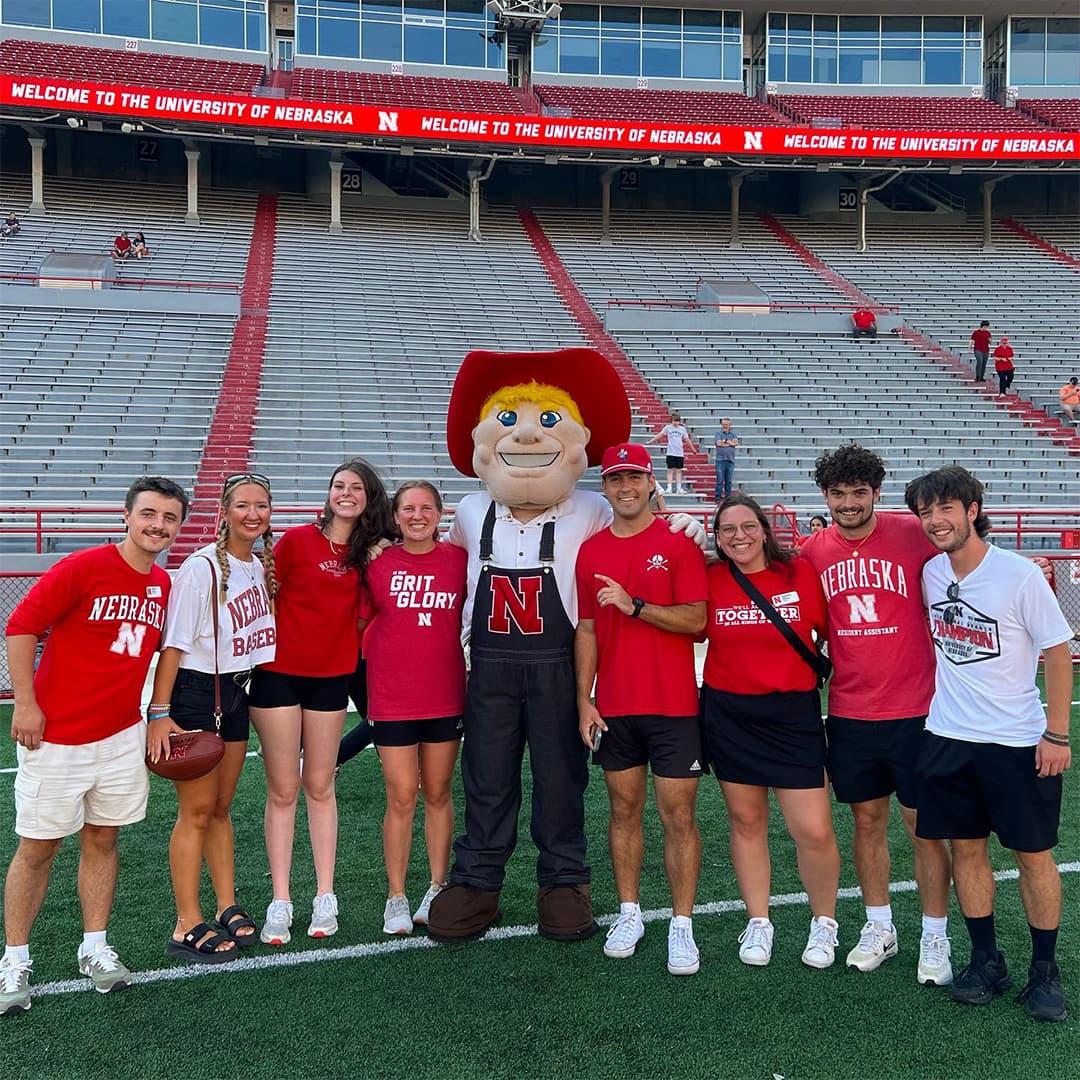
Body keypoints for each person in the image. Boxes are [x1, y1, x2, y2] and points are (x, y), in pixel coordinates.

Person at [426, 347, 705, 944]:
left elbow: (642, 520)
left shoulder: (594, 506)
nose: (527, 437)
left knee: (561, 777)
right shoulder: (472, 511)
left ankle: (565, 879)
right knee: (487, 774)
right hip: (492, 665)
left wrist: (684, 523)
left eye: (548, 423)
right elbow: (447, 563)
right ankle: (477, 877)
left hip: (559, 660)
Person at [1, 476, 188, 1015]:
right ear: (127, 517)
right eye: (149, 514)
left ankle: (95, 947)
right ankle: (13, 957)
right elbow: (22, 625)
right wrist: (26, 703)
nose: (158, 525)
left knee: (103, 840)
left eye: (169, 518)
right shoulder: (83, 566)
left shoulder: (164, 584)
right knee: (38, 847)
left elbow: (158, 655)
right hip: (57, 735)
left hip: (120, 735)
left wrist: (155, 712)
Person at [905, 465, 1073, 1023]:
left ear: (972, 511)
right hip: (948, 736)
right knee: (967, 851)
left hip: (1017, 741)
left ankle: (1044, 972)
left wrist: (1056, 733)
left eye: (945, 508)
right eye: (925, 511)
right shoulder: (931, 573)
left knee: (1032, 855)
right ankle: (986, 959)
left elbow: (1056, 651)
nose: (935, 521)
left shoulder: (1019, 574)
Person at [800, 444, 953, 985]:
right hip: (850, 710)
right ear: (825, 496)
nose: (848, 503)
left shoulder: (911, 534)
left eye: (858, 493)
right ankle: (879, 926)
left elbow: (968, 557)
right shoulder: (812, 550)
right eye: (838, 494)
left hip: (917, 708)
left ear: (876, 493)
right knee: (867, 822)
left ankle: (935, 935)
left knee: (924, 827)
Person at [574, 443, 707, 976]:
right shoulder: (591, 550)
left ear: (652, 482)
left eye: (634, 478)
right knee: (622, 811)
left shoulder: (676, 541)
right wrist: (584, 699)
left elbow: (698, 619)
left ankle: (681, 924)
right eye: (614, 480)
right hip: (616, 707)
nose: (625, 487)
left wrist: (636, 606)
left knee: (679, 816)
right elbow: (586, 630)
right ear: (604, 488)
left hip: (674, 706)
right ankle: (629, 912)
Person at [248, 459, 392, 945]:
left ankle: (325, 896)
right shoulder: (295, 541)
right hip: (277, 677)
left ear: (369, 497)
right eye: (338, 486)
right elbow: (266, 597)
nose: (345, 493)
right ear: (328, 493)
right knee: (282, 790)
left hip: (332, 679)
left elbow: (370, 614)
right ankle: (281, 899)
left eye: (356, 488)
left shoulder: (370, 555)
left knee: (320, 785)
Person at [701, 494, 840, 970]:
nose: (738, 536)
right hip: (729, 714)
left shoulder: (799, 574)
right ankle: (759, 921)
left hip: (791, 715)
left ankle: (824, 923)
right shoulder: (710, 579)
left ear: (764, 530)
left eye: (747, 526)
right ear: (716, 539)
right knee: (746, 822)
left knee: (815, 829)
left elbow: (830, 632)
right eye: (727, 530)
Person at [147, 474, 277, 964]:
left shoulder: (258, 565)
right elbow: (174, 646)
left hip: (238, 690)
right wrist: (160, 712)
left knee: (222, 809)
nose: (252, 513)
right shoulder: (201, 568)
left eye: (260, 505)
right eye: (242, 505)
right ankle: (185, 922)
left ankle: (226, 904)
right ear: (224, 512)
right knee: (196, 812)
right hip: (198, 694)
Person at [360, 482, 466, 936]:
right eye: (408, 508)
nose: (417, 515)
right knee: (401, 796)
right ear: (396, 515)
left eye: (426, 508)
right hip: (393, 696)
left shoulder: (459, 560)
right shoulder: (377, 562)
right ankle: (396, 895)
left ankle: (438, 887)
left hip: (445, 694)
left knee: (439, 792)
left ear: (441, 514)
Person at [649, 412, 695, 496]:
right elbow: (660, 435)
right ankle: (669, 487)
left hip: (679, 453)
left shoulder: (682, 429)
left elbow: (687, 439)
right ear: (671, 421)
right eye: (674, 421)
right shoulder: (668, 428)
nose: (676, 423)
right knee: (670, 470)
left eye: (677, 421)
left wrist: (692, 448)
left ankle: (679, 488)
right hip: (671, 452)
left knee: (678, 471)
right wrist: (651, 441)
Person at [713, 418, 740, 502]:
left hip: (730, 460)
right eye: (723, 424)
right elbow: (718, 443)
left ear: (730, 425)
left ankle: (728, 497)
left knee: (728, 480)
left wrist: (725, 441)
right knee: (720, 479)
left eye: (726, 424)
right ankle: (718, 497)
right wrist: (729, 443)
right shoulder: (718, 433)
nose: (724, 426)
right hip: (720, 460)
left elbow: (735, 443)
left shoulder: (734, 434)